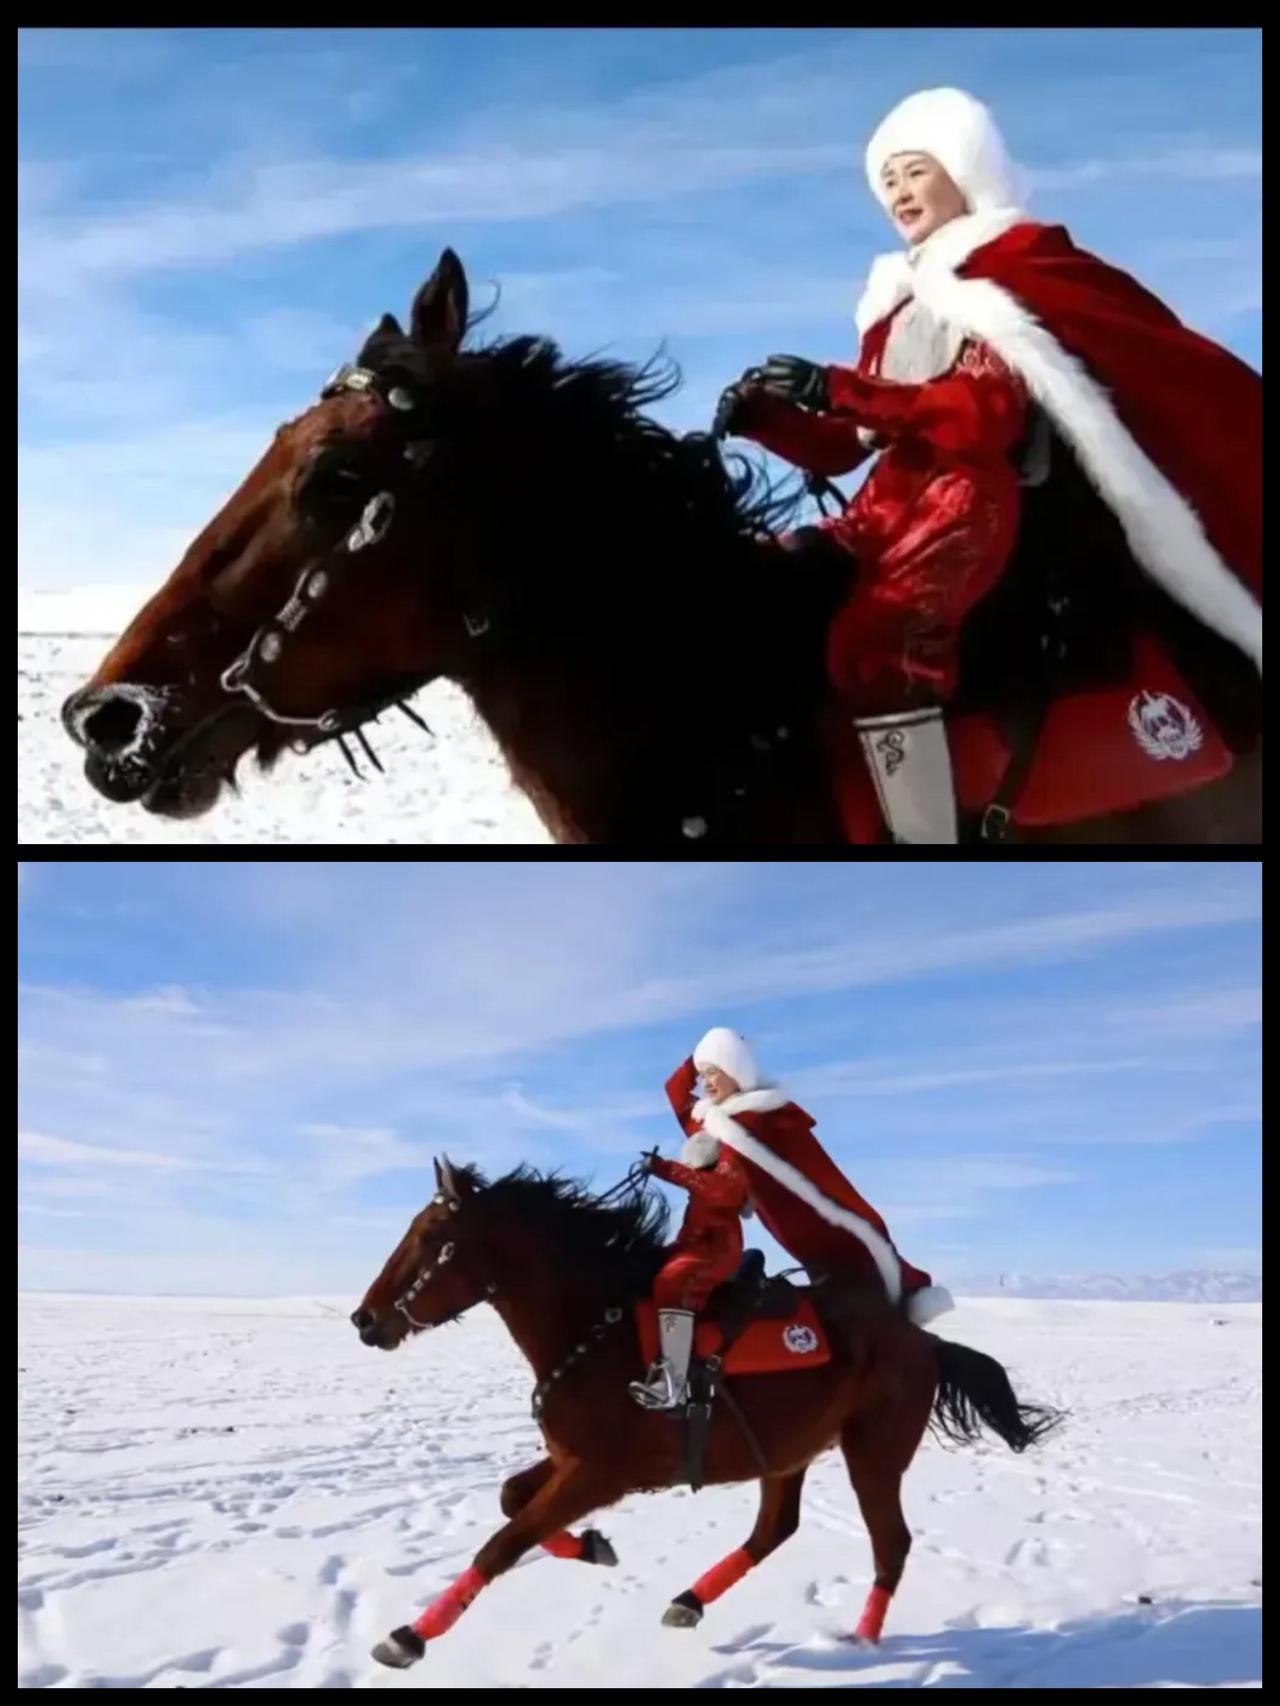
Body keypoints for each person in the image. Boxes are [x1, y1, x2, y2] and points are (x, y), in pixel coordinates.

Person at [714, 87, 1262, 844]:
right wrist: (767, 418)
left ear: (965, 170)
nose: (900, 192)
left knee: (878, 640)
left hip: (970, 498)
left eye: (916, 170)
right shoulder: (895, 302)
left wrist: (838, 385)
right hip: (889, 505)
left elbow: (986, 412)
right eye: (889, 180)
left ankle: (927, 839)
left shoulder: (1008, 273)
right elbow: (849, 443)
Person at [632, 1025, 950, 1411]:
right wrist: (699, 1055)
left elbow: (727, 1189)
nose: (704, 1082)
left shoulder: (751, 1123)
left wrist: (667, 1169)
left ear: (737, 1072)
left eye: (714, 1072)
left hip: (719, 1242)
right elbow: (675, 1092)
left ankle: (674, 1381)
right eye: (703, 1074)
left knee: (674, 1279)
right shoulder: (714, 1120)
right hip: (698, 1234)